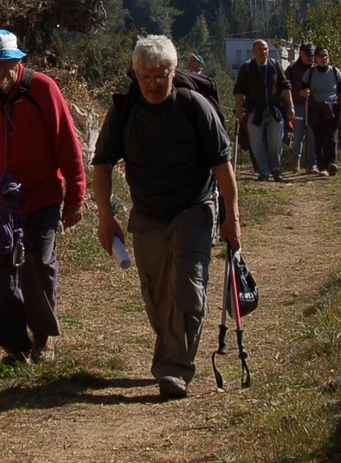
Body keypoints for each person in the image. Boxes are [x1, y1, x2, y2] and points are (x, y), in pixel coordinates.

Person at [91, 35, 241, 399]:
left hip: (194, 208)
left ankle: (174, 369)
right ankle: (173, 346)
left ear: (173, 72)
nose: (154, 84)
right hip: (147, 214)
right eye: (146, 77)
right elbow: (103, 165)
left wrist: (232, 217)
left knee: (188, 286)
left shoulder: (194, 107)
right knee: (157, 295)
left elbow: (222, 166)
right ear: (136, 75)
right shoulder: (124, 112)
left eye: (161, 76)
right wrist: (106, 217)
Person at [0, 30, 86, 366]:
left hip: (41, 199)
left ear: (19, 60)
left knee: (38, 267)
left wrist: (75, 196)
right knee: (0, 278)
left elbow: (67, 143)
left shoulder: (43, 90)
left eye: (6, 62)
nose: (0, 70)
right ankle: (15, 347)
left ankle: (43, 340)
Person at [233, 38, 290, 182]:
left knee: (275, 141)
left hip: (274, 110)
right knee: (256, 142)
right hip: (255, 111)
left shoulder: (275, 65)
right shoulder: (247, 68)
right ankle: (263, 171)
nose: (263, 52)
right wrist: (238, 107)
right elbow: (239, 89)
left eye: (265, 49)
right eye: (260, 49)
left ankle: (276, 170)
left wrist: (291, 106)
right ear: (254, 51)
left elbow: (285, 86)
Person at [304, 44, 341, 176]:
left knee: (331, 136)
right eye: (321, 56)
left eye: (326, 55)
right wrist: (305, 92)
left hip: (333, 108)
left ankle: (332, 164)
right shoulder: (309, 73)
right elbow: (302, 90)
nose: (324, 58)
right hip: (315, 109)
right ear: (315, 58)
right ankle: (322, 167)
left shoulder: (335, 72)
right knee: (318, 138)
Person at [284, 42, 317, 174]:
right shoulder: (292, 69)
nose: (310, 58)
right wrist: (289, 105)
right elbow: (285, 87)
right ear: (301, 53)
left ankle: (312, 165)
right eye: (308, 55)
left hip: (313, 107)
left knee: (312, 137)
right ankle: (295, 161)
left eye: (312, 55)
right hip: (297, 106)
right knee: (297, 136)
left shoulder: (316, 68)